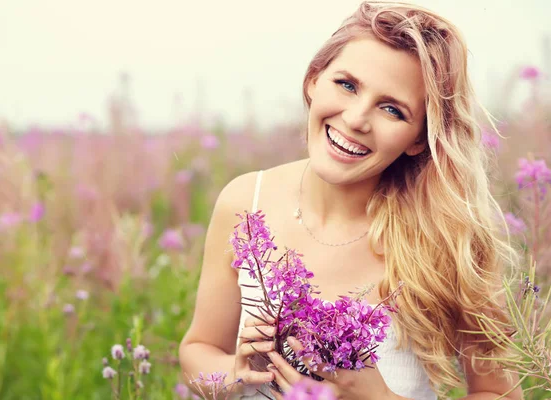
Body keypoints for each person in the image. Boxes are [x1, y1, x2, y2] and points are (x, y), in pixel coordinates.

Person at [179, 1, 523, 399]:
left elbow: (500, 393)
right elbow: (197, 351)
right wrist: (238, 372)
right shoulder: (245, 201)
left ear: (417, 139)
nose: (357, 119)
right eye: (347, 84)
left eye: (392, 109)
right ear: (313, 79)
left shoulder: (450, 235)